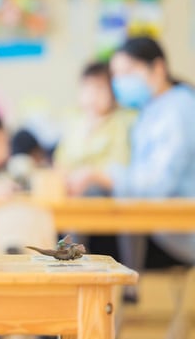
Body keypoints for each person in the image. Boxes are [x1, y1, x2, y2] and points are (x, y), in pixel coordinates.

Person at [66, 36, 195, 272]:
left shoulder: (178, 110)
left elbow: (158, 184)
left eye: (128, 72)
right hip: (154, 224)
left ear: (158, 68)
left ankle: (117, 293)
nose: (120, 82)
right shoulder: (151, 109)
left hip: (174, 235)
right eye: (116, 74)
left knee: (78, 243)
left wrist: (103, 176)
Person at [55, 61, 136, 196]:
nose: (92, 95)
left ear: (113, 93)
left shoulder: (120, 123)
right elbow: (60, 162)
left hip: (102, 193)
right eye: (87, 87)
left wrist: (90, 175)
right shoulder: (74, 123)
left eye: (99, 88)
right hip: (70, 191)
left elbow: (119, 167)